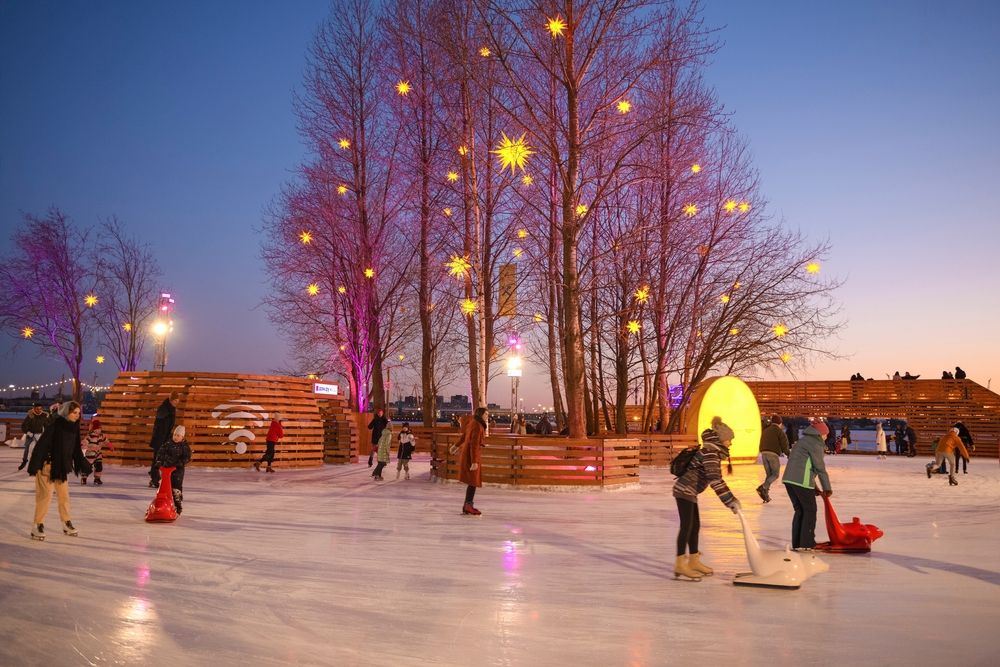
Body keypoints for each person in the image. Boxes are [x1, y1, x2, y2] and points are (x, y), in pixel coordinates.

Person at [672, 428, 741, 581]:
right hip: (684, 490)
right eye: (729, 439)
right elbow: (715, 480)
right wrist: (730, 501)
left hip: (689, 492)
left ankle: (693, 561)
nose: (730, 443)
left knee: (694, 526)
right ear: (720, 440)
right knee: (686, 527)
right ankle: (680, 563)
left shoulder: (711, 452)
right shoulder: (710, 454)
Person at [26, 401, 88, 540]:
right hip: (46, 466)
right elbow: (41, 446)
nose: (77, 416)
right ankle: (37, 525)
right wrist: (34, 466)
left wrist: (83, 464)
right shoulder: (55, 426)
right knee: (45, 497)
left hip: (61, 468)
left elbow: (75, 449)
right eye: (74, 413)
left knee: (64, 497)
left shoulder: (74, 427)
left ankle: (66, 523)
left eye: (78, 413)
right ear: (66, 412)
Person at [781, 419, 832, 551]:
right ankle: (807, 543)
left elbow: (803, 465)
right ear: (820, 434)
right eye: (826, 434)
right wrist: (827, 488)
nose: (826, 437)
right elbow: (819, 467)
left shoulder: (803, 441)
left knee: (800, 510)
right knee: (810, 511)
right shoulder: (815, 444)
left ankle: (798, 543)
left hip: (789, 479)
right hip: (800, 481)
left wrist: (814, 486)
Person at [451, 407, 488, 515]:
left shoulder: (473, 422)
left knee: (473, 481)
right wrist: (474, 461)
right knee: (473, 481)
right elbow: (474, 444)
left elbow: (464, 436)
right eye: (486, 414)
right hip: (471, 456)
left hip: (468, 454)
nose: (487, 416)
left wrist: (455, 446)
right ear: (480, 414)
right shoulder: (477, 426)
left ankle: (467, 505)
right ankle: (468, 505)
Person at [156, 425, 192, 513]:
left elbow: (187, 457)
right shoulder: (168, 444)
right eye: (175, 435)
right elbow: (160, 453)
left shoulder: (184, 446)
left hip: (177, 470)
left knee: (176, 488)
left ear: (182, 437)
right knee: (164, 487)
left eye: (178, 435)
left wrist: (180, 463)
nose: (176, 437)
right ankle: (161, 504)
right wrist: (159, 461)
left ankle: (177, 506)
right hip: (166, 469)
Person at [149, 392, 179, 488]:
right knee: (158, 459)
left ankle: (155, 474)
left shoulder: (171, 408)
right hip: (159, 438)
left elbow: (168, 426)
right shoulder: (164, 409)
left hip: (165, 438)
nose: (176, 402)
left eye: (177, 401)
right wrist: (162, 439)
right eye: (175, 400)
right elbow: (160, 424)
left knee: (162, 459)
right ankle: (154, 478)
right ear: (171, 400)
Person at [756, 415, 789, 503]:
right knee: (775, 474)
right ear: (780, 423)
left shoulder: (766, 430)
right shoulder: (779, 431)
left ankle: (765, 495)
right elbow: (784, 445)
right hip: (773, 454)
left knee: (769, 475)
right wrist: (789, 454)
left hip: (764, 453)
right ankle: (762, 488)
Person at [81, 419, 113, 485]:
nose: (99, 429)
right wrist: (83, 450)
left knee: (99, 466)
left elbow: (106, 441)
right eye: (98, 428)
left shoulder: (101, 436)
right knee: (88, 467)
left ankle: (97, 478)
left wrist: (110, 445)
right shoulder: (90, 436)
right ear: (94, 428)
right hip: (90, 454)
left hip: (98, 454)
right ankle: (84, 478)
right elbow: (84, 443)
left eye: (100, 428)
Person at [18, 403, 48, 471]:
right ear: (34, 409)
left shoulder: (43, 416)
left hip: (39, 434)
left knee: (40, 448)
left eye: (40, 409)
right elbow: (24, 425)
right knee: (27, 448)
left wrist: (46, 433)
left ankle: (40, 461)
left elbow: (46, 425)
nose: (39, 410)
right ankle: (24, 461)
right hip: (30, 434)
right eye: (37, 409)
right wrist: (28, 432)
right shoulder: (30, 415)